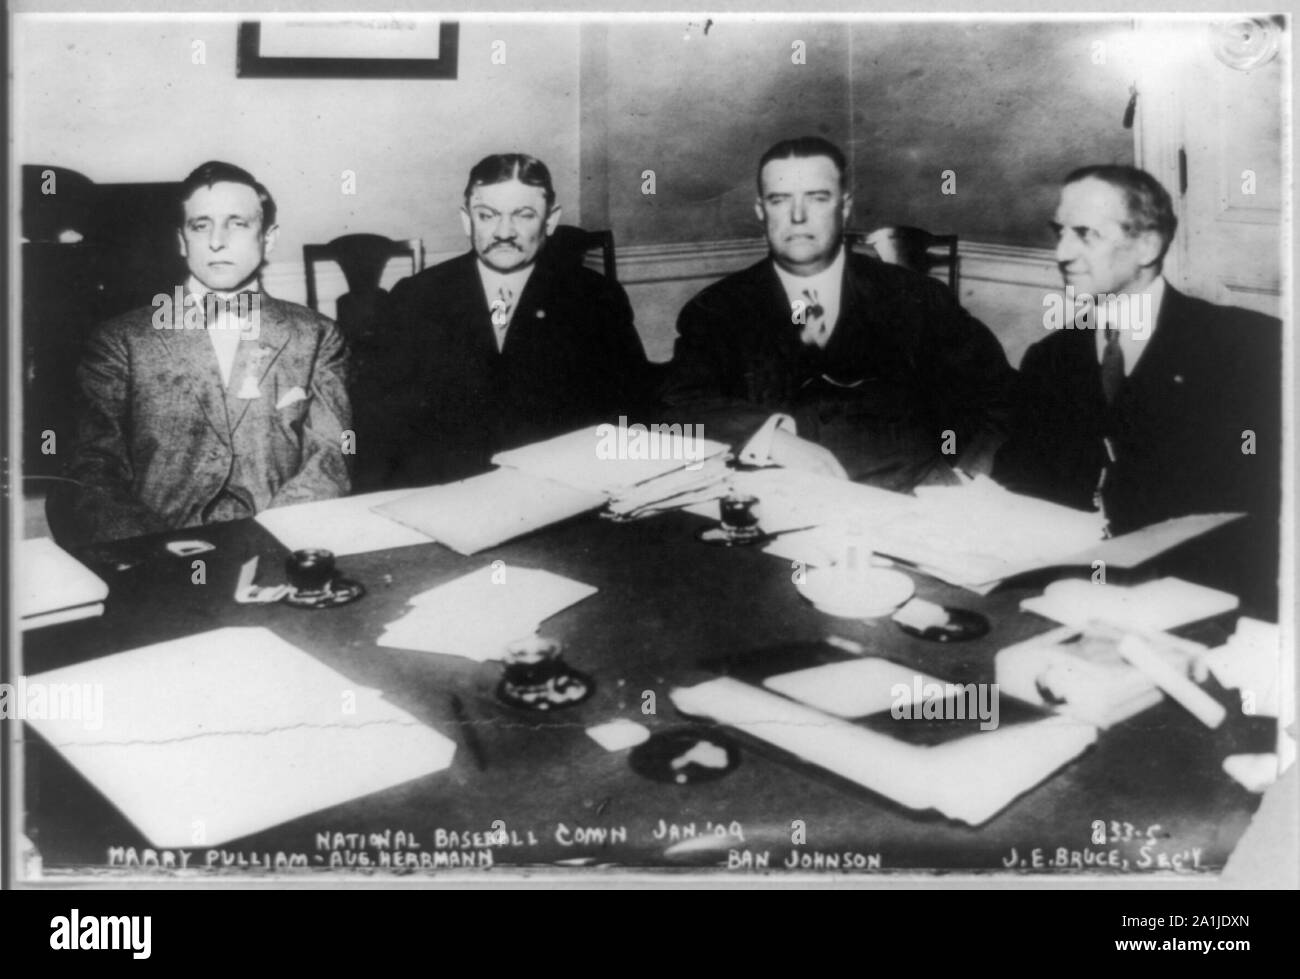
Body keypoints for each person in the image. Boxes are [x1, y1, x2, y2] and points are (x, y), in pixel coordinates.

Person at [995, 165, 1281, 611]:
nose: (1063, 253)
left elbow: (1265, 513)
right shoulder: (1050, 358)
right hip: (1064, 596)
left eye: (1085, 234)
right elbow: (1021, 483)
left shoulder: (1248, 349)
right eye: (1061, 232)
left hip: (1208, 599)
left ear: (1147, 245)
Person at [663, 136, 1014, 491]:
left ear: (844, 208)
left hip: (911, 506)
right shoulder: (717, 309)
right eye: (780, 200)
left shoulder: (916, 298)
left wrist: (967, 476)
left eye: (817, 198)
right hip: (774, 507)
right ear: (760, 210)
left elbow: (1000, 396)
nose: (798, 217)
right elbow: (679, 405)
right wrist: (773, 439)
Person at [53, 161, 351, 544]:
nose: (217, 241)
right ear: (182, 240)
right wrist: (154, 553)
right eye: (200, 225)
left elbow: (330, 458)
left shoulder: (317, 335)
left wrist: (275, 542)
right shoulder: (121, 341)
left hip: (281, 542)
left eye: (238, 223)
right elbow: (91, 469)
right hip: (160, 556)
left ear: (269, 238)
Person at [374, 153, 650, 487]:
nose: (504, 232)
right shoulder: (416, 298)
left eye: (524, 215)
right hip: (444, 494)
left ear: (550, 221)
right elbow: (383, 428)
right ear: (467, 220)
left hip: (564, 494)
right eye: (487, 216)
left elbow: (633, 417)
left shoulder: (595, 299)